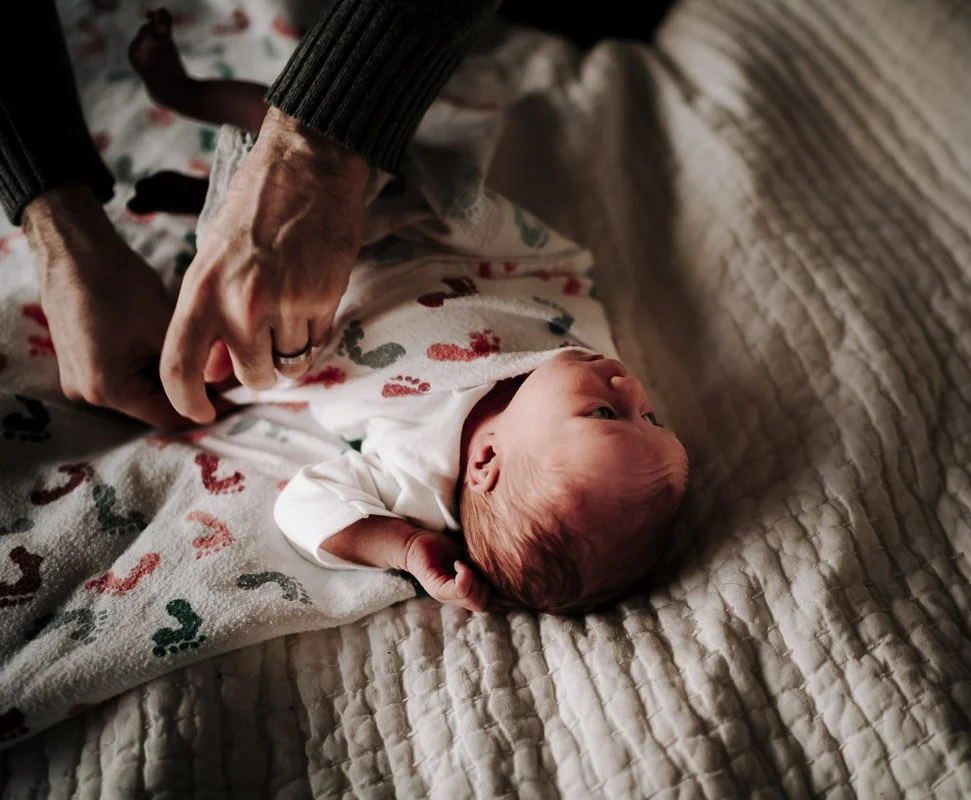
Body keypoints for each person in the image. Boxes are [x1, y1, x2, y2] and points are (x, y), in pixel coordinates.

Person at [125, 11, 689, 613]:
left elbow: (305, 507)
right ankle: (190, 99)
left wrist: (402, 545)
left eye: (606, 413)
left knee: (221, 345)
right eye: (653, 418)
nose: (631, 387)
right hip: (426, 231)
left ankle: (199, 155)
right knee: (335, 129)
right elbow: (561, 281)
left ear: (486, 461)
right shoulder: (577, 362)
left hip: (332, 296)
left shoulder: (417, 476)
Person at [1, 0, 500, 429]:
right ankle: (184, 91)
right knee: (262, 119)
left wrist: (210, 195)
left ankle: (190, 104)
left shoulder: (408, 441)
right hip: (376, 177)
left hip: (317, 241)